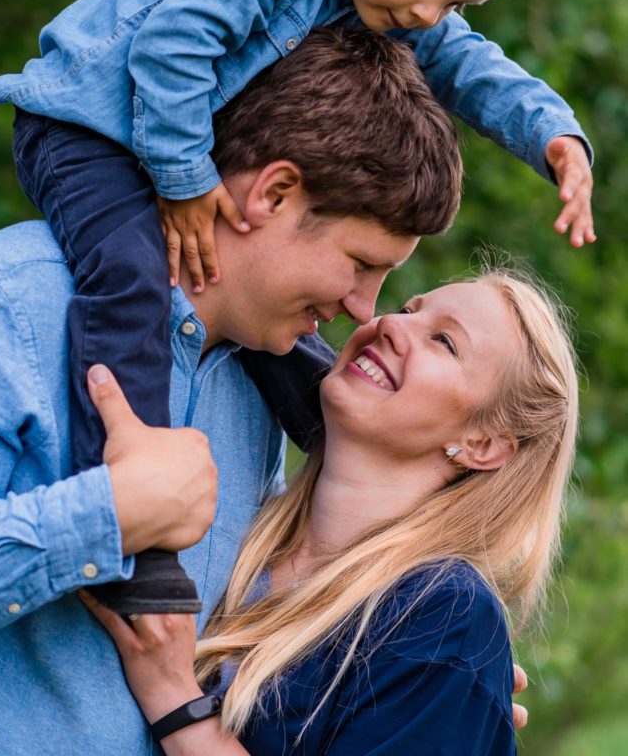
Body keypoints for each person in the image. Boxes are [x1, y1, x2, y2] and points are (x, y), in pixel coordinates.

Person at [0, 0, 593, 610]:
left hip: (165, 144)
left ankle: (342, 442)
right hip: (90, 128)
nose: (426, 14)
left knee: (276, 345)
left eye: (452, 0)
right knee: (131, 284)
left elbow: (466, 64)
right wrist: (184, 178)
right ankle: (129, 493)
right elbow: (171, 48)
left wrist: (552, 133)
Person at [0, 27, 465, 754]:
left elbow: (219, 646)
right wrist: (108, 518)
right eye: (358, 262)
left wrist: (413, 696)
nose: (362, 307)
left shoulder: (258, 391)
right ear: (273, 193)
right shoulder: (1, 304)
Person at [84, 266, 578, 756]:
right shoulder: (242, 522)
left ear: (484, 443)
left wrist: (176, 699)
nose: (389, 323)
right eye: (409, 310)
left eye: (444, 342)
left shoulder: (443, 614)